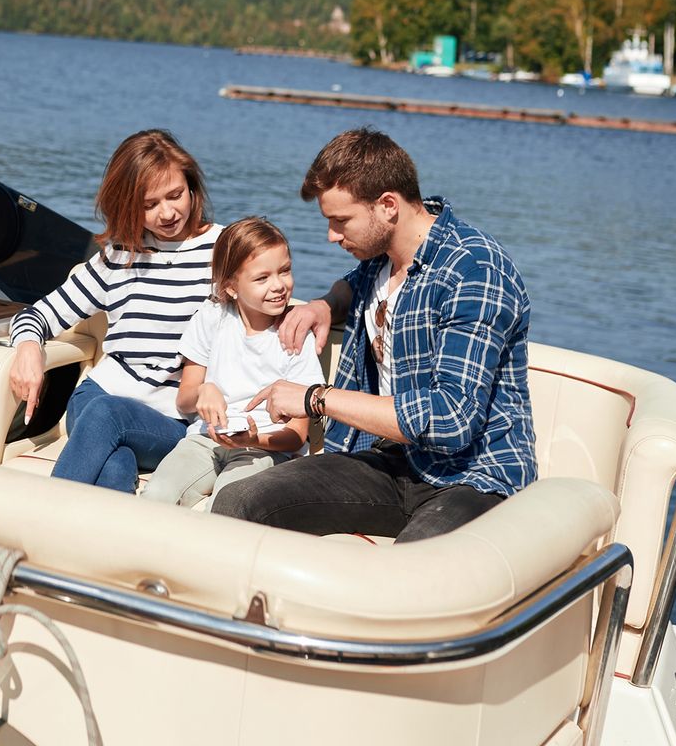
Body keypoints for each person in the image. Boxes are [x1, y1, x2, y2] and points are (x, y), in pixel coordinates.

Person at [215, 128, 537, 541]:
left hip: (472, 476)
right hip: (387, 463)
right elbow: (356, 283)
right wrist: (326, 304)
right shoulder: (381, 258)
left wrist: (316, 398)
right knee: (238, 503)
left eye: (340, 221)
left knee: (406, 573)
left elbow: (452, 418)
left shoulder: (475, 270)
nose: (331, 235)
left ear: (387, 205)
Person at [7, 130, 220, 492]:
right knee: (115, 460)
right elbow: (36, 315)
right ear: (127, 205)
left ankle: (40, 517)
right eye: (149, 204)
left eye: (175, 195)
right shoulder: (119, 257)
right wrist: (28, 346)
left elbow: (268, 297)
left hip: (172, 419)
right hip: (96, 398)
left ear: (192, 187)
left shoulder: (223, 250)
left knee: (108, 418)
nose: (167, 213)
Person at [140, 217, 324, 509]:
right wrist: (204, 390)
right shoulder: (213, 317)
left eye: (285, 271)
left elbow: (297, 435)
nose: (278, 285)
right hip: (204, 441)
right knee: (156, 496)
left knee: (228, 504)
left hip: (265, 449)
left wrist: (254, 439)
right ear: (232, 287)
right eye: (262, 278)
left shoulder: (296, 333)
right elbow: (185, 398)